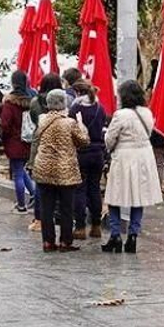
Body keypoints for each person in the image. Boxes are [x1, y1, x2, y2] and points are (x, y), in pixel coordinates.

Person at [102, 80, 161, 253]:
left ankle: (115, 235)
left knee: (115, 197)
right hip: (143, 157)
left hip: (123, 157)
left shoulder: (121, 115)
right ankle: (133, 234)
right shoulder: (147, 113)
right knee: (138, 197)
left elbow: (110, 139)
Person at [29, 89, 87, 251]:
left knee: (47, 207)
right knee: (66, 207)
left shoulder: (42, 120)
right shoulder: (69, 123)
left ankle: (48, 241)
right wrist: (81, 126)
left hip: (44, 168)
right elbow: (83, 141)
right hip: (65, 169)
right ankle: (65, 241)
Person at [69, 80, 110, 239]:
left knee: (79, 190)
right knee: (94, 189)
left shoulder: (75, 109)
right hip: (98, 153)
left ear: (77, 93)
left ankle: (80, 227)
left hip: (81, 153)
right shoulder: (100, 108)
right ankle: (96, 226)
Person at [0, 70, 37, 213]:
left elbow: (5, 125)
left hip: (14, 142)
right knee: (22, 170)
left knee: (18, 174)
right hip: (29, 141)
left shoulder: (10, 103)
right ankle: (33, 195)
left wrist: (2, 138)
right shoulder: (32, 101)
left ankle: (21, 205)